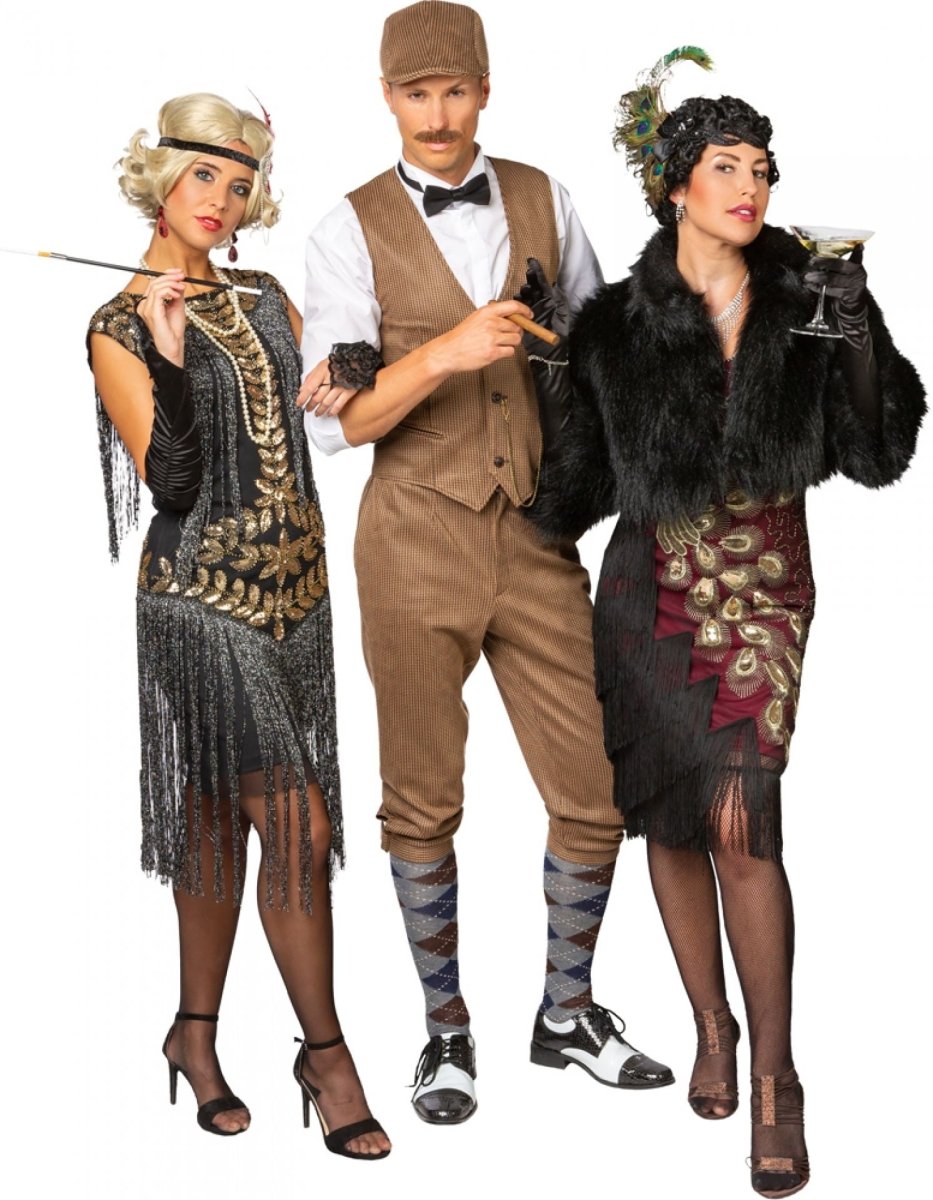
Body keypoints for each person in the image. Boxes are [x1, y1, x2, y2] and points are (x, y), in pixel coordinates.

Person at [522, 47, 925, 1197]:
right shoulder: (614, 326)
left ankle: (778, 1080)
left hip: (765, 590)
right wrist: (551, 365)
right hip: (646, 592)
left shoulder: (810, 297)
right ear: (676, 186)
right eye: (726, 166)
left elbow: (877, 450)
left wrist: (856, 331)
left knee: (745, 820)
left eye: (762, 167)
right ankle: (711, 1024)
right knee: (671, 820)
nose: (751, 186)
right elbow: (572, 496)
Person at [299, 1, 672, 1124]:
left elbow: (606, 349)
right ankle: (445, 1031)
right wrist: (446, 353)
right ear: (386, 98)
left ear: (485, 89)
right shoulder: (346, 228)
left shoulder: (544, 196)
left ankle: (567, 1013)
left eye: (454, 90)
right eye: (416, 94)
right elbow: (342, 424)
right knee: (422, 800)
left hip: (538, 534)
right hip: (412, 538)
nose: (437, 115)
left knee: (596, 792)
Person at [87, 92, 390, 1160]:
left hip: (297, 598)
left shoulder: (264, 294)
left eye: (240, 180)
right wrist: (170, 357)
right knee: (298, 822)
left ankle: (193, 1033)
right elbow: (170, 485)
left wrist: (355, 362)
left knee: (219, 817)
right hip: (200, 602)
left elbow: (331, 402)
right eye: (203, 174)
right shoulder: (119, 324)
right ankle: (328, 1056)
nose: (221, 197)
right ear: (160, 179)